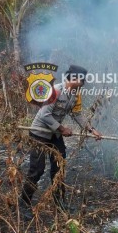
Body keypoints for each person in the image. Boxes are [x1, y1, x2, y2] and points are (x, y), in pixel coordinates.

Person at [20, 64, 102, 214]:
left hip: (54, 135)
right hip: (39, 134)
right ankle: (24, 204)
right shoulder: (56, 91)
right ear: (74, 78)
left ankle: (59, 203)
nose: (83, 83)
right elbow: (45, 115)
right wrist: (62, 129)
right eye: (82, 80)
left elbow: (77, 115)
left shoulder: (76, 94)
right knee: (37, 171)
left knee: (59, 168)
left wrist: (92, 130)